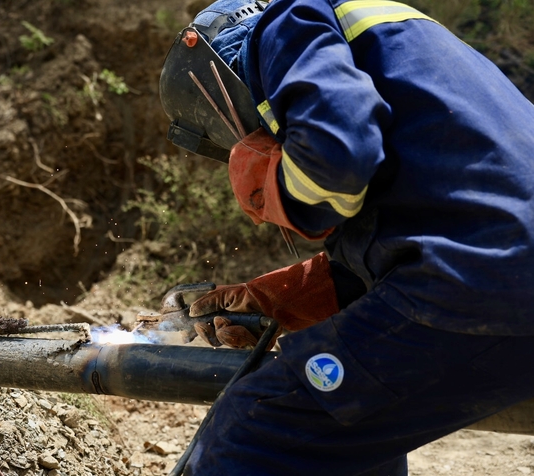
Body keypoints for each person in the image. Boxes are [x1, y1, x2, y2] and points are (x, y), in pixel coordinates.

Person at [159, 0, 534, 474]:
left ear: (217, 74)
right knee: (348, 429)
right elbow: (431, 225)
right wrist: (278, 298)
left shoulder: (288, 22)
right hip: (499, 273)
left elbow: (338, 163)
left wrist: (270, 187)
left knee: (254, 430)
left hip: (485, 281)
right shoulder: (404, 52)